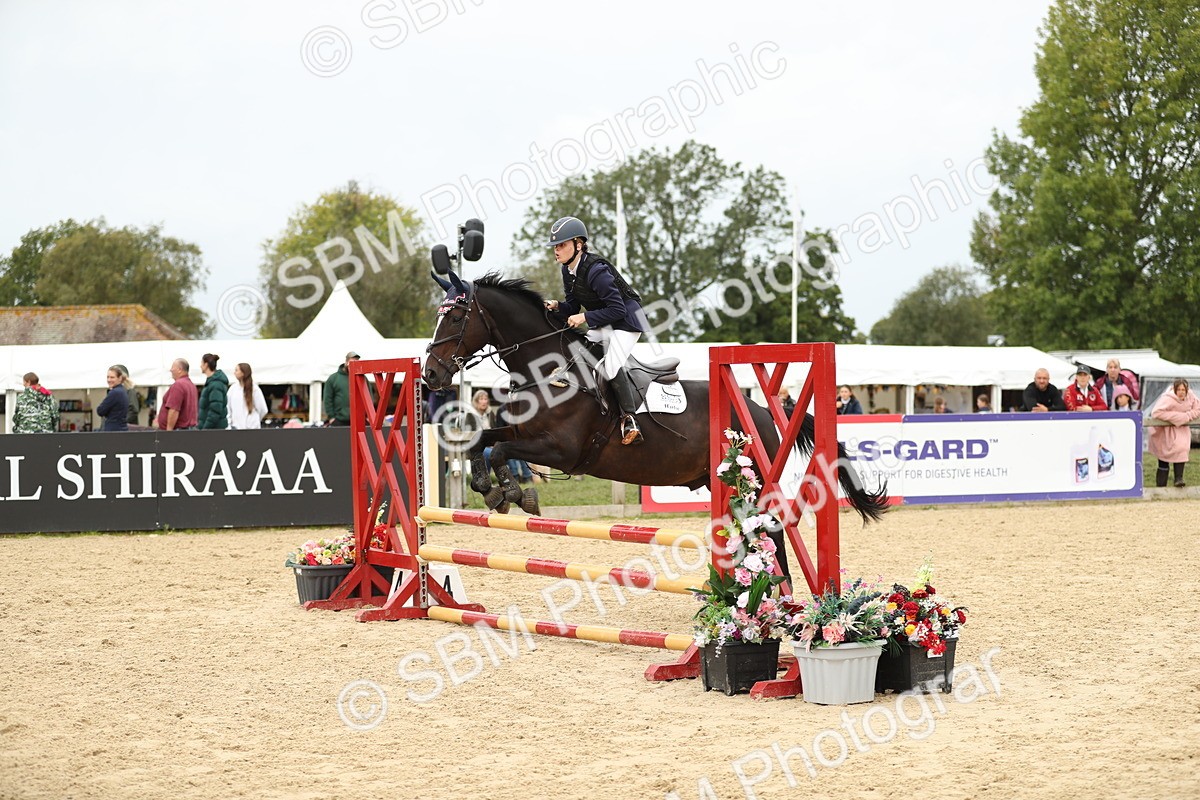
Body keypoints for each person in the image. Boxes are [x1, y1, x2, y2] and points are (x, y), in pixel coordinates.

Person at [542, 216, 647, 445]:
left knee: (610, 367)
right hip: (605, 321)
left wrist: (585, 317)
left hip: (627, 322)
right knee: (579, 349)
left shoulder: (596, 270)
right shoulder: (567, 270)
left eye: (562, 245)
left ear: (578, 244)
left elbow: (618, 309)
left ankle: (631, 420)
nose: (556, 251)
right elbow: (573, 306)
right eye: (555, 246)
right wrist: (558, 306)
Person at [1147, 378, 1200, 487]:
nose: (1181, 392)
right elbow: (1156, 413)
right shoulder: (1167, 398)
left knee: (1181, 449)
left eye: (1183, 389)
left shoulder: (1191, 397)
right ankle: (1161, 487)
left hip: (1181, 429)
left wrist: (1187, 416)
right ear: (1175, 389)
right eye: (1179, 389)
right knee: (1163, 459)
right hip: (1164, 431)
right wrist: (1177, 417)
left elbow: (1197, 409)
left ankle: (1178, 479)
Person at [158, 358, 198, 431]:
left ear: (180, 369)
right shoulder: (191, 385)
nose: (171, 370)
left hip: (178, 431)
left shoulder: (178, 385)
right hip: (189, 430)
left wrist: (169, 431)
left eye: (172, 367)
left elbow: (174, 409)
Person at [228, 362, 269, 429]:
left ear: (243, 373)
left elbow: (263, 409)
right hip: (236, 428)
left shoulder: (255, 389)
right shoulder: (233, 389)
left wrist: (254, 421)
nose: (234, 373)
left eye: (236, 370)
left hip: (252, 428)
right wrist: (230, 423)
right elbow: (228, 408)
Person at [324, 351, 359, 426]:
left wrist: (366, 415)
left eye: (356, 363)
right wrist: (331, 417)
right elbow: (327, 399)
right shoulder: (333, 378)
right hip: (339, 420)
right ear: (346, 362)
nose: (353, 365)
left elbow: (368, 397)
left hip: (358, 419)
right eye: (351, 362)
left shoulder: (361, 378)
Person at [197, 353, 229, 429]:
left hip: (213, 431)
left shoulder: (215, 385)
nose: (200, 366)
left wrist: (205, 428)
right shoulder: (212, 383)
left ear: (206, 364)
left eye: (202, 363)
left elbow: (215, 410)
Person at [95, 365, 130, 431]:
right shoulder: (123, 391)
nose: (109, 380)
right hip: (122, 429)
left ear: (119, 378)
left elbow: (100, 411)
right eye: (108, 377)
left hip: (113, 431)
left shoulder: (115, 393)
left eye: (112, 377)